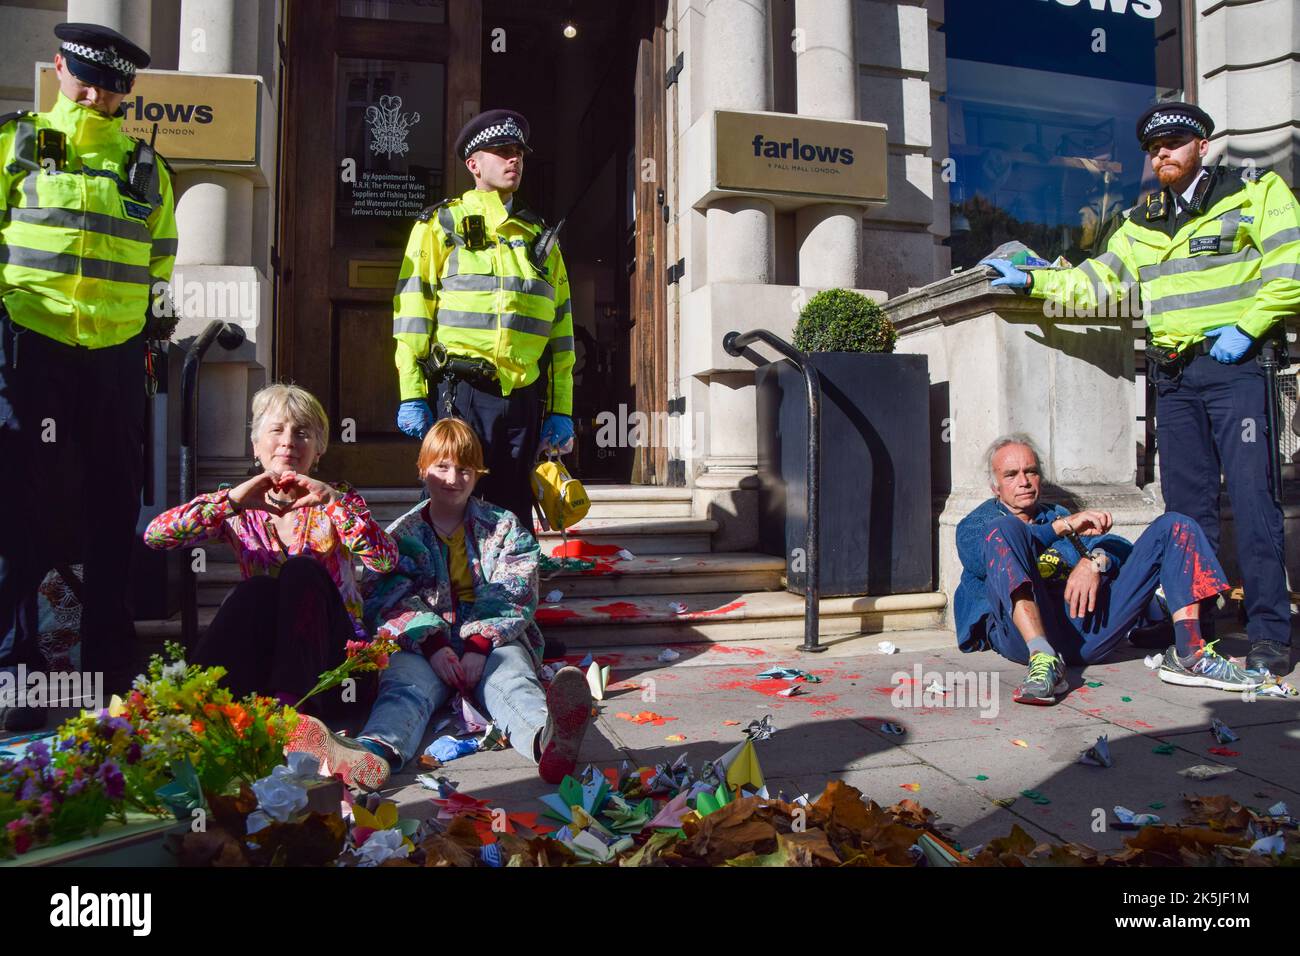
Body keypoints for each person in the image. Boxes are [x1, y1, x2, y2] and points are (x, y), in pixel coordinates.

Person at [982, 103, 1300, 679]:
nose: (1162, 155)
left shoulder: (1255, 191)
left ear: (1202, 144)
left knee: (1254, 505)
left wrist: (1250, 327)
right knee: (1187, 514)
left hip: (1237, 367)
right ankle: (1195, 634)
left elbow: (1292, 266)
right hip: (1174, 378)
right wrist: (1034, 279)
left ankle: (1270, 633)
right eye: (1154, 149)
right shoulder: (1140, 221)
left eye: (1175, 142)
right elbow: (1096, 281)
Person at [0, 23, 177, 731]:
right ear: (58, 68)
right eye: (87, 78)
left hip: (112, 360)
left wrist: (146, 339)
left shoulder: (145, 168)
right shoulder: (16, 144)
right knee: (20, 509)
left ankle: (109, 657)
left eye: (115, 85)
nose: (100, 94)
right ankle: (18, 665)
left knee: (112, 510)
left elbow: (160, 266)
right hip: (29, 350)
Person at [287, 418, 592, 791]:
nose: (453, 478)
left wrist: (480, 644)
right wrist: (432, 644)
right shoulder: (403, 534)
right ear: (422, 469)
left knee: (514, 682)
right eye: (442, 466)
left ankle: (548, 743)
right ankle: (371, 753)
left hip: (493, 646)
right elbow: (387, 597)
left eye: (464, 469)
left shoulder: (504, 528)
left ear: (478, 474)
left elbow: (515, 589)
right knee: (403, 689)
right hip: (423, 649)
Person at [143, 385, 397, 712]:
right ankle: (190, 707)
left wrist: (334, 504)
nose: (288, 440)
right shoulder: (238, 506)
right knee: (257, 589)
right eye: (276, 430)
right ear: (256, 446)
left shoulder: (338, 499)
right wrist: (231, 501)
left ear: (318, 450)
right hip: (263, 668)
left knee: (301, 570)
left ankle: (292, 711)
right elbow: (156, 536)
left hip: (334, 673)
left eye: (302, 432)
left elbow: (385, 560)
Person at [954, 435, 1250, 705]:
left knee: (1176, 525)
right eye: (1011, 474)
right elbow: (982, 560)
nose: (1025, 481)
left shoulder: (1055, 513)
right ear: (995, 486)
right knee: (1005, 529)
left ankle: (1190, 655)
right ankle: (1043, 659)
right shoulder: (980, 523)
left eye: (1031, 471)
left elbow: (1119, 546)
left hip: (1086, 632)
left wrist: (1093, 560)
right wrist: (1062, 528)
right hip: (1023, 633)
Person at [392, 109, 577, 531]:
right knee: (449, 501)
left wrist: (561, 408)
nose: (514, 160)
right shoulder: (442, 224)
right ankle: (440, 593)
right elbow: (412, 313)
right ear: (473, 164)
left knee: (513, 508)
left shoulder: (540, 237)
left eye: (519, 153)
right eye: (502, 152)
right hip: (461, 393)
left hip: (523, 396)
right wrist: (411, 394)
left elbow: (561, 330)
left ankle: (511, 593)